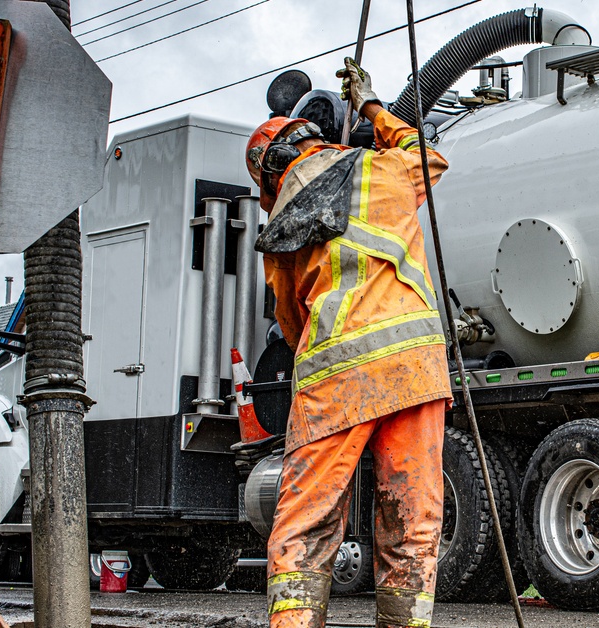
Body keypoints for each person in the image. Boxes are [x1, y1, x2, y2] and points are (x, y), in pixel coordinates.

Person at [245, 58, 452, 628]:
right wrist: (370, 106)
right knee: (412, 519)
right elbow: (431, 156)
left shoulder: (283, 220)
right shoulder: (385, 170)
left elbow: (290, 324)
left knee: (304, 520)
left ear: (271, 175)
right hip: (416, 370)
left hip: (337, 378)